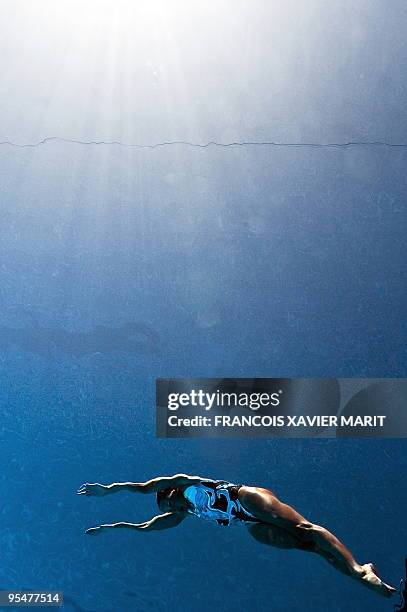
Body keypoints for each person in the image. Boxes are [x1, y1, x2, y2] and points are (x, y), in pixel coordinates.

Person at [77, 473, 395, 598]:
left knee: (303, 529)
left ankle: (354, 567)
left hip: (246, 498)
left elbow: (140, 487)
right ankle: (362, 573)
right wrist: (111, 528)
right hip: (244, 519)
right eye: (166, 505)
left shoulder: (183, 481)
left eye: (167, 499)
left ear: (169, 491)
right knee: (307, 546)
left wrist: (106, 491)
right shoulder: (183, 513)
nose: (169, 504)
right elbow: (147, 527)